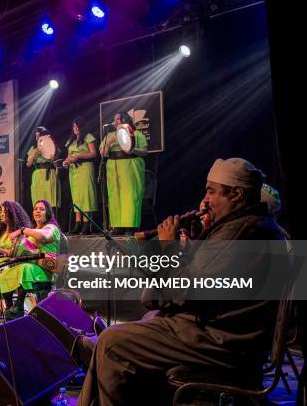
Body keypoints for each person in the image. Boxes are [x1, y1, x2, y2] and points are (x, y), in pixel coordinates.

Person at [78, 158, 288, 405]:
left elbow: (189, 293)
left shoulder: (244, 232)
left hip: (221, 340)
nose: (205, 200)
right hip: (217, 329)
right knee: (135, 328)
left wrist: (170, 248)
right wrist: (197, 243)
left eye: (211, 191)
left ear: (237, 194)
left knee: (112, 344)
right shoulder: (245, 226)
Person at [2, 199, 60, 320]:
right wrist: (0, 250)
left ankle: (19, 305)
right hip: (32, 267)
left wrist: (23, 230)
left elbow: (44, 236)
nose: (37, 211)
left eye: (41, 209)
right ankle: (9, 307)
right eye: (35, 209)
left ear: (47, 213)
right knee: (5, 272)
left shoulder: (52, 228)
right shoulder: (32, 231)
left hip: (47, 269)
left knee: (24, 268)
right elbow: (24, 252)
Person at [100, 111, 148, 235]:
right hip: (113, 167)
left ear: (125, 120)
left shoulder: (136, 133)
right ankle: (117, 226)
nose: (115, 121)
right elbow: (103, 154)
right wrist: (109, 142)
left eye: (118, 119)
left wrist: (131, 149)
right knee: (114, 196)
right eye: (114, 119)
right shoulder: (110, 135)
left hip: (130, 165)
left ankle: (130, 226)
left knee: (130, 196)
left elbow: (144, 151)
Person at [64, 118, 98, 235]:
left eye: (77, 126)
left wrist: (79, 156)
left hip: (85, 168)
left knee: (86, 195)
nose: (75, 129)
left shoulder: (88, 137)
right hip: (74, 171)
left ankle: (87, 224)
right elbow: (69, 156)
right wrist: (66, 162)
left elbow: (93, 153)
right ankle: (78, 223)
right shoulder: (71, 141)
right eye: (73, 127)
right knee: (77, 197)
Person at [26, 127, 59, 208]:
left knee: (51, 202)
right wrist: (36, 151)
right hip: (38, 175)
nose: (37, 137)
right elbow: (28, 164)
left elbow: (57, 163)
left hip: (50, 173)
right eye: (36, 135)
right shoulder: (33, 148)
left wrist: (53, 159)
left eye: (39, 134)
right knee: (39, 202)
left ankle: (51, 220)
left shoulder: (53, 146)